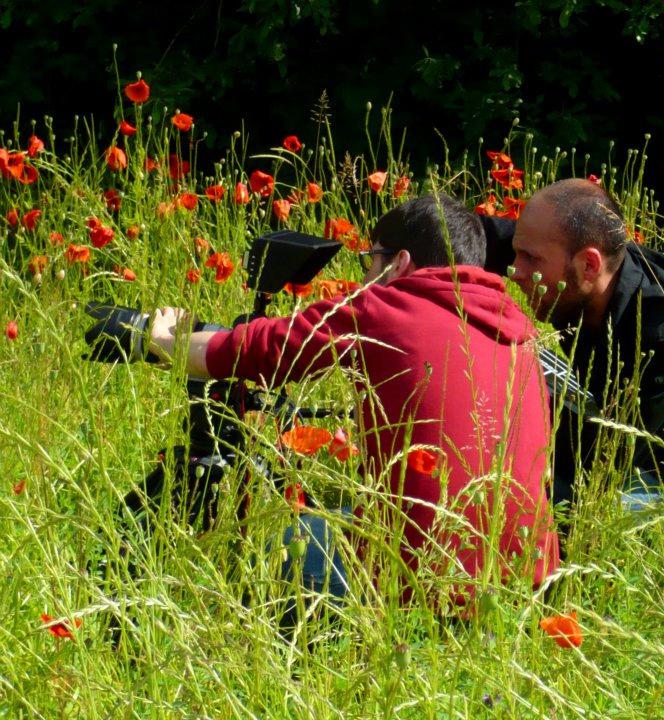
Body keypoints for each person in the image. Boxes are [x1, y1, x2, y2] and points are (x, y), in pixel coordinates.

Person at [149, 193, 559, 613]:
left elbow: (262, 350)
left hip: (418, 582)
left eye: (370, 262)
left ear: (399, 262)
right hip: (521, 582)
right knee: (344, 514)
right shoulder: (521, 333)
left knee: (263, 547)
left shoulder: (388, 305)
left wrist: (164, 340)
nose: (366, 278)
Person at [480, 179, 664, 512]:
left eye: (529, 258)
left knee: (523, 494)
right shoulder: (581, 261)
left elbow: (609, 465)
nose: (515, 270)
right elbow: (472, 234)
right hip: (614, 422)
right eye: (518, 253)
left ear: (589, 264)